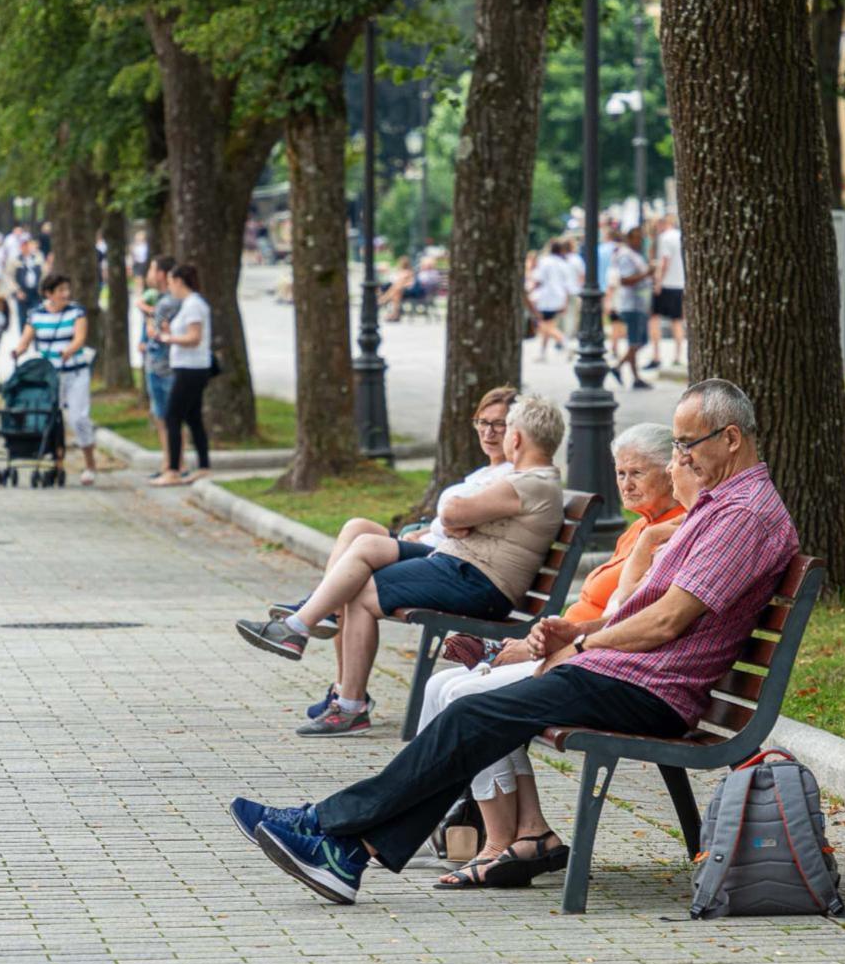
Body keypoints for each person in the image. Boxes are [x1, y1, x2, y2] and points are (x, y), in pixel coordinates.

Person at [230, 379, 796, 904]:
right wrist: (579, 630)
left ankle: (330, 832)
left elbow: (667, 622)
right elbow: (650, 610)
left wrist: (579, 648)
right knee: (475, 717)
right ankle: (343, 848)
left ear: (730, 438)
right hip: (627, 672)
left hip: (649, 688)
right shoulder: (721, 505)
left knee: (473, 716)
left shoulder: (743, 515)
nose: (681, 456)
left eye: (687, 443)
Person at [420, 423, 692, 888]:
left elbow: (623, 619)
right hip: (571, 651)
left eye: (637, 473)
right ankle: (503, 827)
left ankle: (496, 840)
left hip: (599, 666)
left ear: (670, 472)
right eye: (620, 472)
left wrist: (543, 646)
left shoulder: (668, 534)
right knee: (441, 685)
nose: (625, 483)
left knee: (468, 696)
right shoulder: (639, 529)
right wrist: (533, 643)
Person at [235, 394, 566, 738]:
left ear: (516, 438)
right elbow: (454, 518)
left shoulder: (528, 483)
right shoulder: (531, 481)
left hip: (477, 581)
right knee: (364, 550)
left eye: (506, 427)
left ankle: (339, 690)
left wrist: (457, 513)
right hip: (462, 568)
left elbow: (452, 512)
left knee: (361, 591)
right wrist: (458, 516)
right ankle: (301, 630)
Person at [275, 385, 520, 726]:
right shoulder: (484, 474)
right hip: (437, 548)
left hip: (453, 563)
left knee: (357, 569)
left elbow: (463, 529)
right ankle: (338, 669)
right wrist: (422, 531)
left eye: (500, 425)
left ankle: (320, 627)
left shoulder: (510, 478)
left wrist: (435, 530)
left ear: (518, 431)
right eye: (483, 422)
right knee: (356, 527)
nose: (489, 432)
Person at [9, 272, 99, 486]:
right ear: (48, 294)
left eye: (67, 290)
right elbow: (25, 340)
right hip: (49, 375)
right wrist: (18, 352)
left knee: (78, 418)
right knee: (50, 419)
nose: (65, 294)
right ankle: (57, 463)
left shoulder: (76, 312)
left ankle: (90, 464)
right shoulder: (36, 314)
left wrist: (69, 350)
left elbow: (80, 338)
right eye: (60, 291)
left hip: (75, 371)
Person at [146, 263, 212, 487]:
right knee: (193, 417)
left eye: (172, 282)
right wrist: (169, 331)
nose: (170, 287)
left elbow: (194, 337)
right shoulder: (188, 305)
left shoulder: (194, 305)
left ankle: (173, 469)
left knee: (173, 417)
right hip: (186, 365)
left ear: (179, 282)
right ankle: (203, 465)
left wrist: (168, 339)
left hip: (191, 368)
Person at [137, 255, 179, 476]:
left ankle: (175, 464)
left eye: (152, 269)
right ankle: (169, 462)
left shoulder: (168, 301)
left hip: (165, 365)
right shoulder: (160, 300)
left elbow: (156, 331)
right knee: (161, 416)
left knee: (169, 416)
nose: (149, 274)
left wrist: (147, 318)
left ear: (162, 274)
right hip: (157, 363)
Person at [606, 227, 655, 390]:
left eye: (642, 238)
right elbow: (625, 280)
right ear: (629, 239)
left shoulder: (635, 255)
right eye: (638, 238)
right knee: (637, 341)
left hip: (639, 303)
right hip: (631, 304)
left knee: (637, 342)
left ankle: (634, 376)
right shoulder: (626, 255)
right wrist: (646, 274)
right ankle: (619, 367)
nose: (640, 241)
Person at [650, 213, 686, 370]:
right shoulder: (680, 236)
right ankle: (678, 355)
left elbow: (665, 261)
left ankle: (656, 355)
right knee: (677, 320)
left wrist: (658, 282)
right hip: (680, 284)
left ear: (661, 224)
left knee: (653, 318)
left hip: (666, 284)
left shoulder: (665, 238)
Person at [528, 239, 571, 359]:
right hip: (559, 298)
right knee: (549, 323)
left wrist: (530, 292)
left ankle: (563, 341)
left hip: (545, 298)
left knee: (543, 324)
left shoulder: (545, 262)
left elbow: (538, 279)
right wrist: (565, 302)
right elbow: (567, 285)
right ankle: (543, 352)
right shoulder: (564, 263)